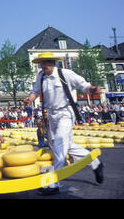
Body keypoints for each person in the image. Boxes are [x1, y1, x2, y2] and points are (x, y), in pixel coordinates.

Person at [23, 52, 104, 195]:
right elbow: (35, 91)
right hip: (52, 115)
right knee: (61, 145)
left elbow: (83, 85)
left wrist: (91, 90)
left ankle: (52, 183)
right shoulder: (41, 77)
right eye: (41, 63)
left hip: (66, 114)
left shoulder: (66, 74)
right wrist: (29, 99)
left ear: (53, 63)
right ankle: (95, 163)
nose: (43, 65)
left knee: (60, 145)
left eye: (46, 62)